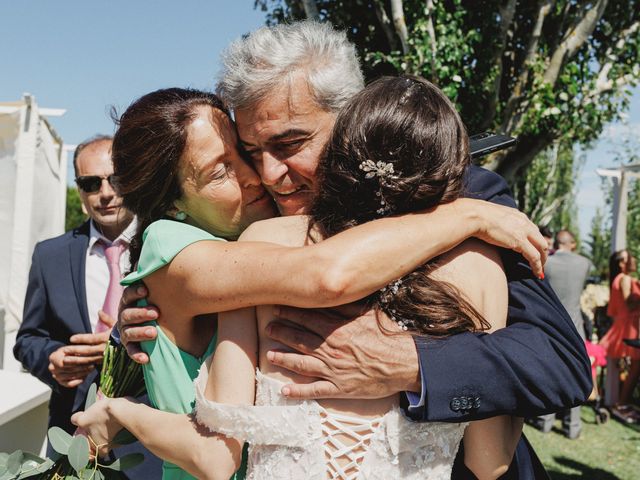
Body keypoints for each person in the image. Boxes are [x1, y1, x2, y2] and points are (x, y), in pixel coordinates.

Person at [116, 21, 590, 478]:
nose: (267, 174)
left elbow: (557, 361)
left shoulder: (464, 196)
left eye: (290, 143)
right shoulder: (255, 230)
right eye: (250, 151)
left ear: (349, 118)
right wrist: (153, 330)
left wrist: (414, 366)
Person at [13, 135, 162, 478]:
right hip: (71, 438)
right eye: (91, 183)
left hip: (149, 444)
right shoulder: (49, 255)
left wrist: (119, 345)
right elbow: (28, 339)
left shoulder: (166, 248)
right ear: (79, 190)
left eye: (116, 179)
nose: (106, 192)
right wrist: (52, 359)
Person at [531, 229, 593, 438]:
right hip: (576, 324)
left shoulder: (548, 262)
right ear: (573, 243)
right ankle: (572, 426)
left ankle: (545, 420)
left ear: (557, 243)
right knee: (575, 374)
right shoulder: (584, 263)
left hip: (551, 324)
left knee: (549, 372)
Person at [600, 250, 640, 422]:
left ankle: (621, 402)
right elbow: (630, 304)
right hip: (630, 325)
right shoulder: (625, 279)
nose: (634, 259)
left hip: (626, 324)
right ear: (621, 263)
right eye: (629, 257)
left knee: (630, 367)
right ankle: (622, 404)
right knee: (635, 367)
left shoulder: (618, 279)